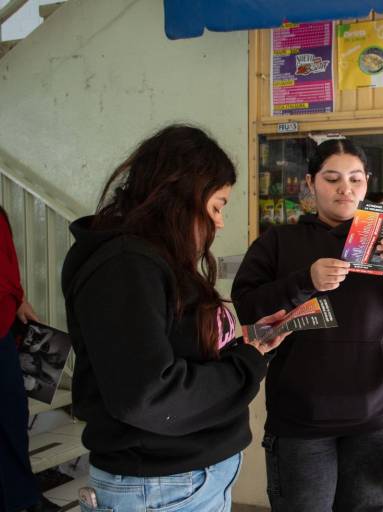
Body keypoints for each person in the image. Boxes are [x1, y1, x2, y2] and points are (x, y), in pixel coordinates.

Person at [62, 125, 289, 511]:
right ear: (182, 197)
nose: (219, 222)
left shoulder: (155, 260)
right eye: (216, 206)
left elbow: (171, 344)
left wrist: (245, 342)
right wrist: (245, 364)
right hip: (162, 485)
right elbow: (148, 393)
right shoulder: (125, 266)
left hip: (185, 477)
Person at [231, 138, 383, 512]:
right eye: (332, 178)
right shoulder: (279, 242)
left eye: (356, 179)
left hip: (375, 417)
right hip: (300, 420)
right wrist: (303, 281)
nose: (346, 188)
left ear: (367, 182)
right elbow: (248, 311)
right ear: (310, 183)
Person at [0, 206, 61, 512]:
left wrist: (19, 301)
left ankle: (23, 496)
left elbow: (6, 268)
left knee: (13, 417)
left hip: (3, 330)